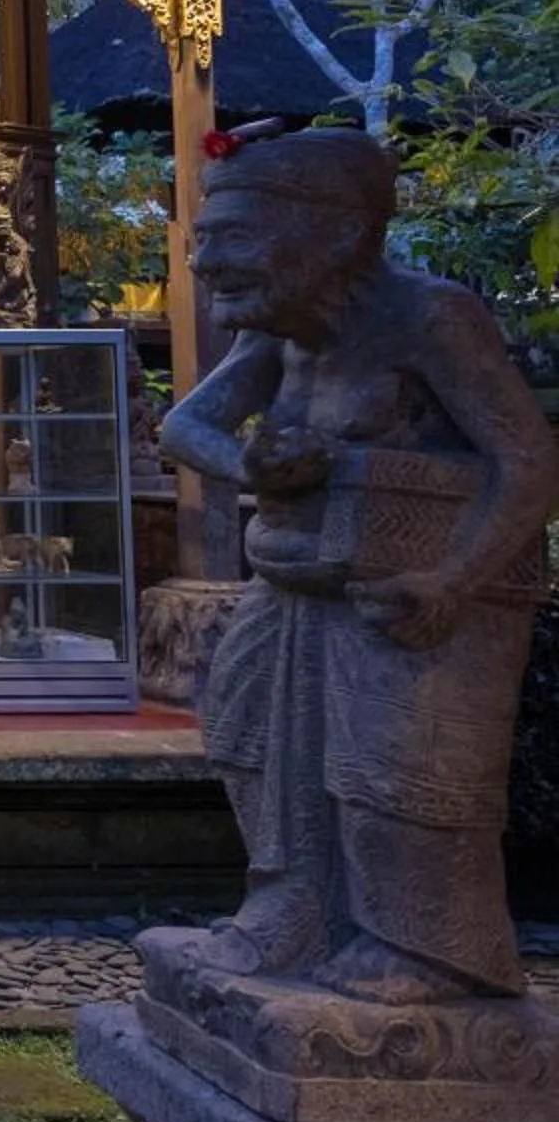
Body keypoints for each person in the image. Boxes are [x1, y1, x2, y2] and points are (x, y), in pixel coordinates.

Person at [149, 124, 558, 1007]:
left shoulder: (429, 317)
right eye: (202, 243)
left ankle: (428, 952)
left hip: (411, 600)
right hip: (297, 582)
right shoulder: (284, 331)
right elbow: (187, 425)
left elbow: (527, 460)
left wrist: (455, 580)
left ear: (335, 234)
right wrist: (253, 466)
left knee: (393, 773)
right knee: (250, 739)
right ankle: (291, 908)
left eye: (234, 239)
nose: (207, 265)